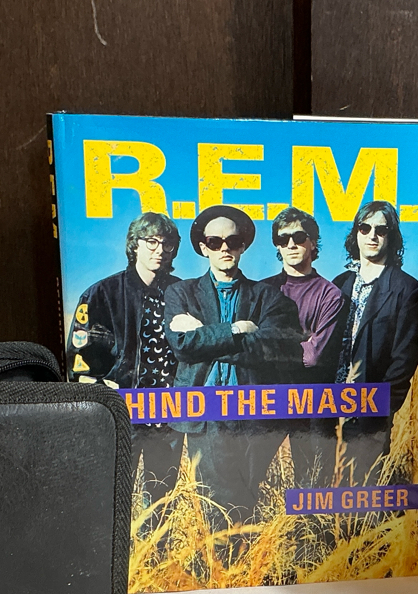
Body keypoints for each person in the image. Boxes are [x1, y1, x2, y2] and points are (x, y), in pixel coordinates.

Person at [164, 205, 302, 524]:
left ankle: (248, 555)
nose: (224, 248)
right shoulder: (180, 293)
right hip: (205, 411)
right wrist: (237, 329)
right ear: (204, 248)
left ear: (243, 246)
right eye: (215, 242)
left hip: (253, 410)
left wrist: (205, 336)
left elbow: (273, 348)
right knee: (216, 505)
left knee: (247, 499)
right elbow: (182, 345)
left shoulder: (270, 297)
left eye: (233, 241)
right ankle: (223, 555)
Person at [66, 211, 185, 504]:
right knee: (113, 492)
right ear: (135, 245)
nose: (159, 250)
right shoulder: (101, 294)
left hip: (168, 411)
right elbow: (79, 359)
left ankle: (156, 537)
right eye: (151, 242)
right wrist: (104, 395)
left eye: (167, 244)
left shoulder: (182, 292)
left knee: (162, 499)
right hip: (123, 409)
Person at [331, 200, 418, 486]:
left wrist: (378, 409)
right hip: (328, 404)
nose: (372, 235)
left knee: (365, 490)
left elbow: (404, 361)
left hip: (368, 411)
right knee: (323, 488)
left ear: (391, 237)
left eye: (381, 230)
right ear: (356, 234)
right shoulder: (339, 283)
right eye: (365, 228)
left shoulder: (409, 291)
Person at [260, 206, 344, 486]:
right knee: (246, 479)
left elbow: (315, 355)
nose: (291, 244)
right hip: (267, 397)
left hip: (312, 400)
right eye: (283, 239)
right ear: (277, 246)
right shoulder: (261, 290)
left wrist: (269, 347)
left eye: (298, 237)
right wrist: (300, 343)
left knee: (313, 485)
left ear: (313, 242)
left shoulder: (330, 294)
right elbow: (250, 349)